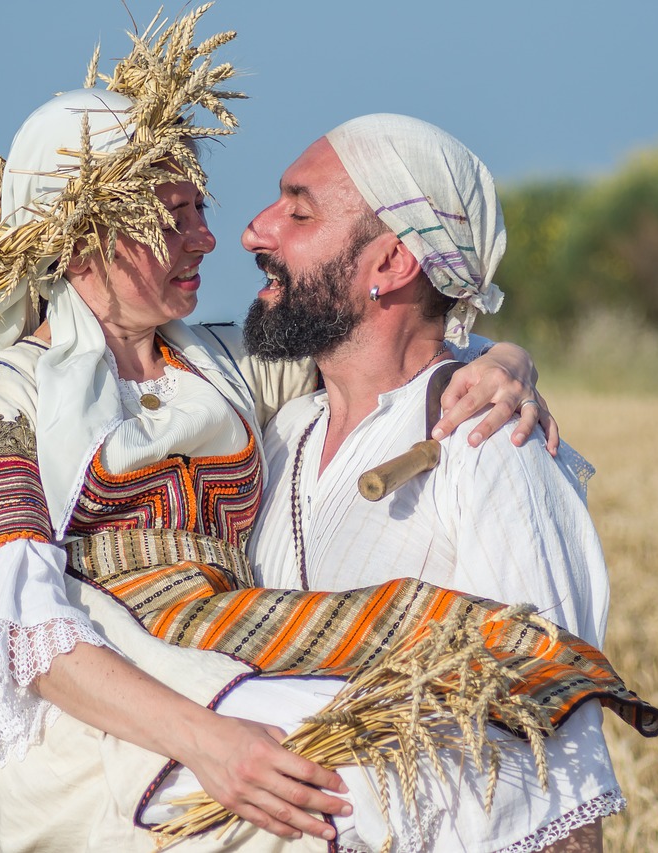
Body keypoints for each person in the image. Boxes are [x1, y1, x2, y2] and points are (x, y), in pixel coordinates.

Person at [0, 10, 646, 852]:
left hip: (228, 672)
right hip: (112, 732)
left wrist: (509, 364)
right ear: (85, 232)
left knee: (440, 745)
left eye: (201, 206)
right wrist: (209, 741)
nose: (216, 237)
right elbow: (18, 623)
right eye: (173, 215)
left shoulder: (223, 367)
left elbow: (396, 345)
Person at [227, 114, 632, 850]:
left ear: (389, 266)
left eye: (298, 210)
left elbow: (558, 758)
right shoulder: (279, 434)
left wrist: (505, 361)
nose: (255, 232)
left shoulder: (488, 441)